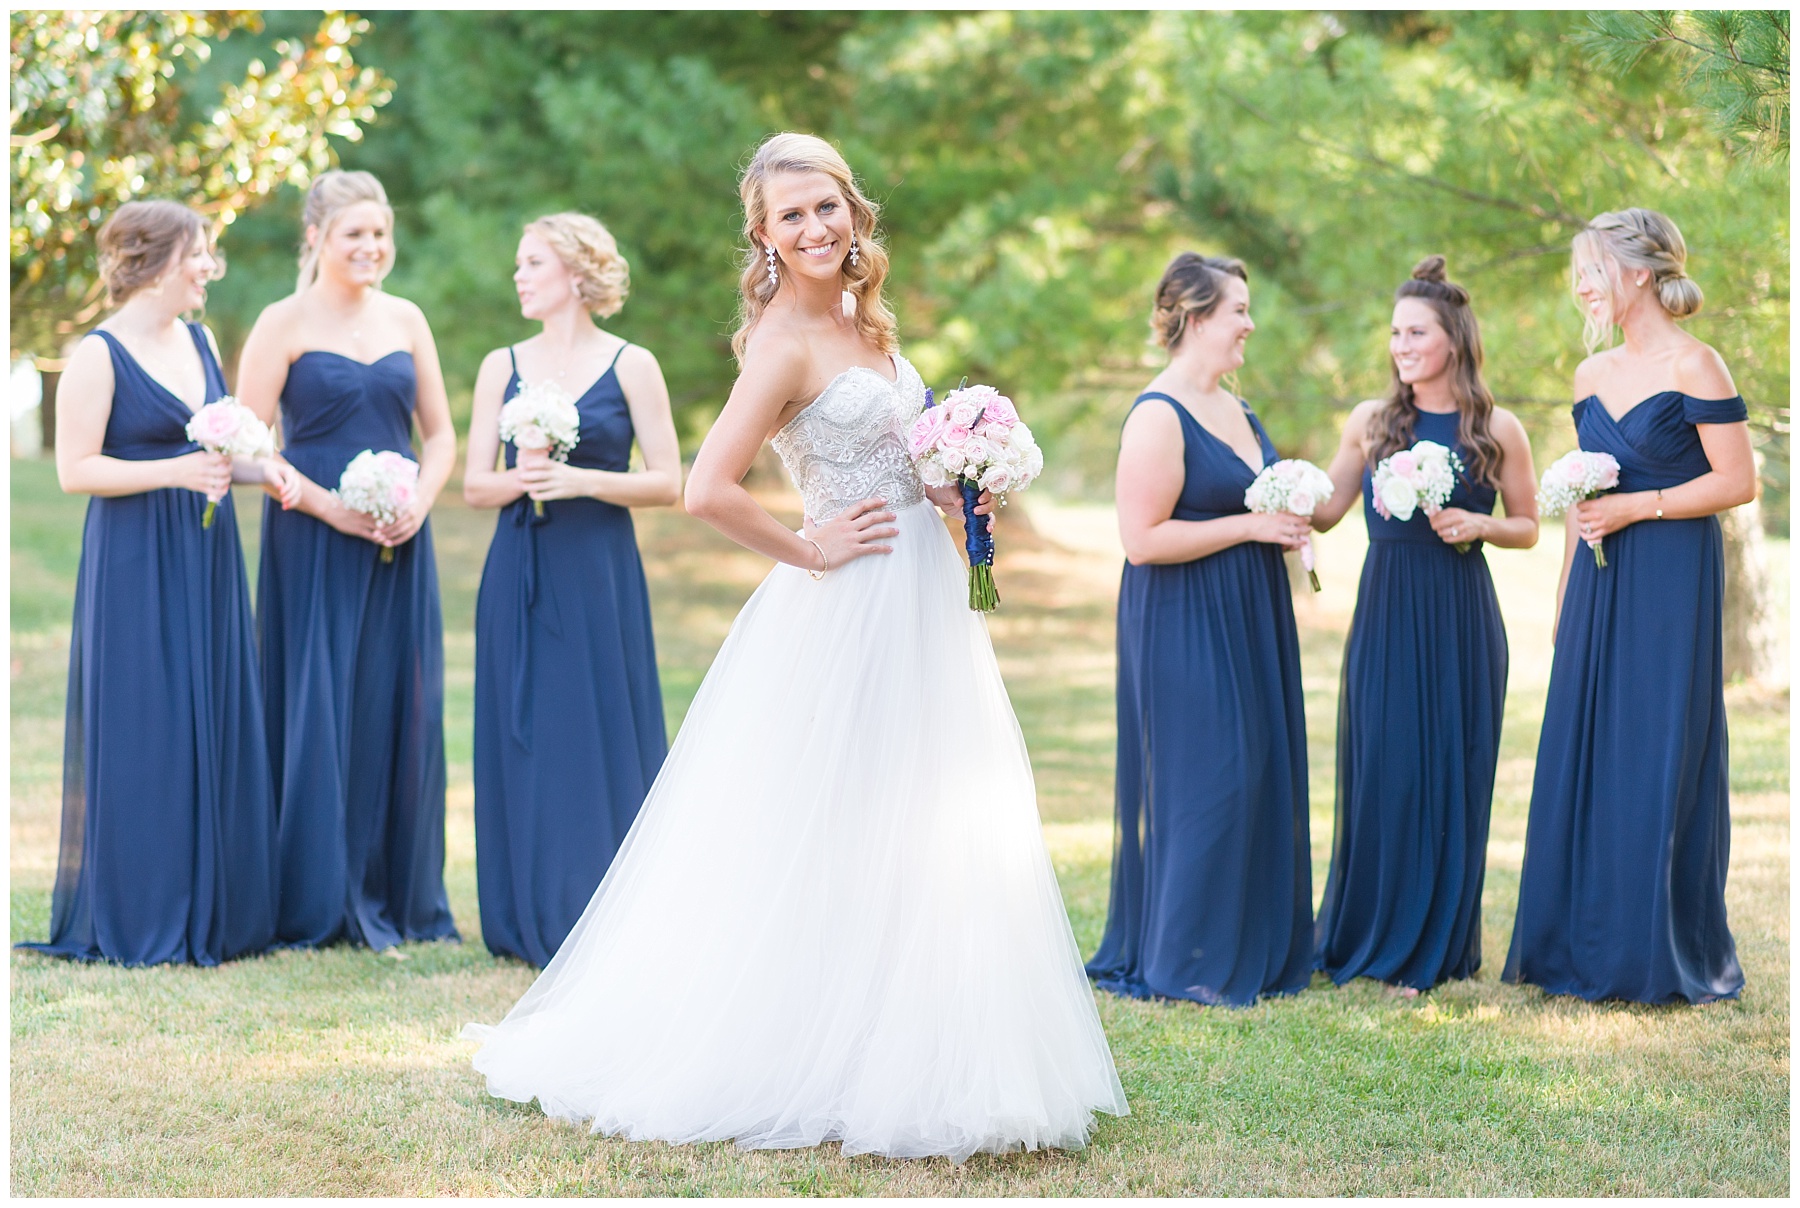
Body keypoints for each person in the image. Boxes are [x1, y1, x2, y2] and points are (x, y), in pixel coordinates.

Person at [463, 132, 1126, 1160]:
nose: (814, 227)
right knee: (833, 816)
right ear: (765, 236)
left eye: (827, 207)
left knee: (927, 814)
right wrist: (811, 548)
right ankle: (809, 1051)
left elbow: (905, 465)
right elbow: (706, 488)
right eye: (791, 216)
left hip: (923, 594)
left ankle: (924, 1047)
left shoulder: (866, 321)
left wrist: (961, 489)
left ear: (854, 212)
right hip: (845, 601)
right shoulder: (780, 341)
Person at [20, 200, 299, 965]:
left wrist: (266, 471)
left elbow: (216, 455)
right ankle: (145, 909)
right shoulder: (98, 355)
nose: (210, 267)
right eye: (198, 253)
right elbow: (77, 470)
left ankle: (218, 906)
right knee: (148, 719)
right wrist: (176, 473)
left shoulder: (200, 341)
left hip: (205, 555)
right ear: (153, 262)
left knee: (210, 710)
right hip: (134, 559)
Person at [1504, 208, 1754, 1004]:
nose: (1581, 286)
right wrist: (1565, 591)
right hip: (1598, 577)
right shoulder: (1591, 376)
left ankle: (1655, 950)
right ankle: (1576, 943)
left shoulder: (1698, 365)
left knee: (1657, 748)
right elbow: (1583, 489)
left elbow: (1737, 482)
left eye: (1593, 270)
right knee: (1585, 748)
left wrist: (1637, 509)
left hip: (1670, 579)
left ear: (1638, 273)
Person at [235, 170, 459, 953]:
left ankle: (397, 892)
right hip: (310, 536)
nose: (371, 247)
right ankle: (312, 896)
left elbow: (440, 435)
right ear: (317, 239)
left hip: (399, 534)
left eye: (380, 233)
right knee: (318, 701)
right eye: (354, 233)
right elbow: (248, 446)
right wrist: (328, 506)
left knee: (396, 699)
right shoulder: (281, 321)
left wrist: (419, 501)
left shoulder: (407, 318)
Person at [1084, 251, 1314, 1007]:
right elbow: (1141, 540)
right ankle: (1183, 959)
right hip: (1183, 616)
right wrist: (1251, 527)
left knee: (1259, 768)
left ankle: (1249, 945)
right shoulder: (1159, 413)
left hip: (1250, 611)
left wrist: (1285, 526)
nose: (1250, 324)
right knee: (1212, 777)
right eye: (1238, 310)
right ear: (1194, 317)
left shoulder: (1238, 410)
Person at [1307, 256, 1538, 993]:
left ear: (1454, 340)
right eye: (1394, 333)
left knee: (1450, 771)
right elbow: (1326, 511)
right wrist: (1272, 488)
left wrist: (1481, 524)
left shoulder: (1496, 428)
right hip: (1385, 613)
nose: (1400, 346)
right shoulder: (1370, 422)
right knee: (1387, 770)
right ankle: (1371, 936)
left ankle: (1434, 951)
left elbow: (1529, 525)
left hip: (1461, 615)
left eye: (1416, 332)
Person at [463, 213, 680, 967]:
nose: (518, 276)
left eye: (533, 263)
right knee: (524, 729)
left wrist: (580, 480)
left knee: (595, 726)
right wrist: (524, 478)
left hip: (598, 572)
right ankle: (524, 909)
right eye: (519, 264)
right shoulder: (500, 365)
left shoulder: (632, 364)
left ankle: (606, 908)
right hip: (519, 566)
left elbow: (669, 482)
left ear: (578, 272)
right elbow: (474, 486)